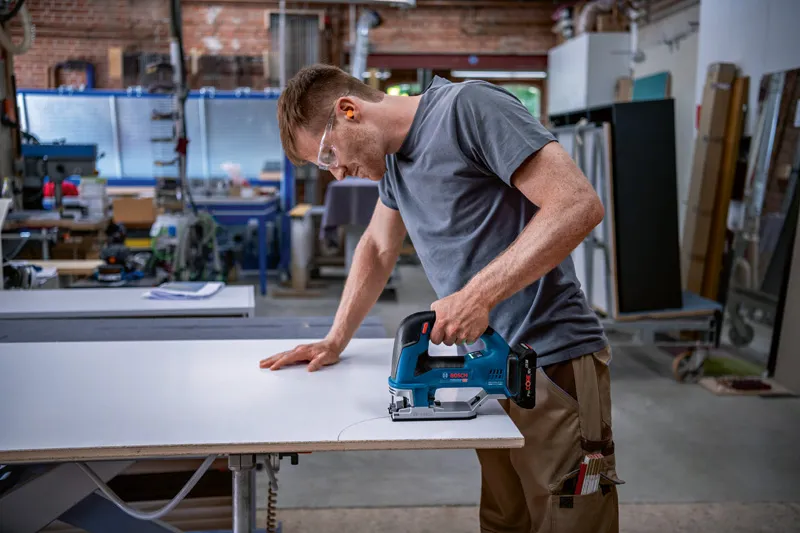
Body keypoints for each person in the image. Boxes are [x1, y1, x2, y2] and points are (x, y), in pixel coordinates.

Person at [260, 64, 623, 533]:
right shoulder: (393, 161)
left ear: (348, 111)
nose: (337, 173)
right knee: (504, 517)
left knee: (566, 518)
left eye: (329, 154)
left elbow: (577, 204)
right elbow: (376, 246)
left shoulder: (468, 110)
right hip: (486, 371)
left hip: (551, 362)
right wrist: (335, 339)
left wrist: (477, 294)